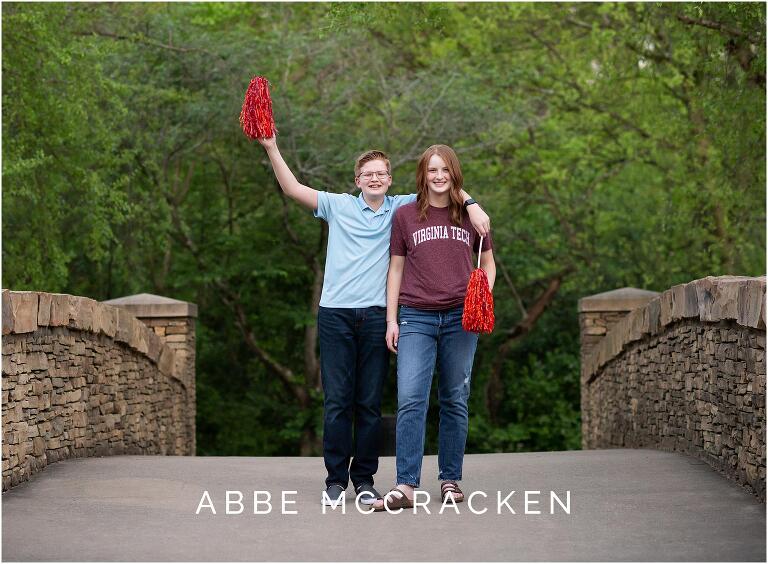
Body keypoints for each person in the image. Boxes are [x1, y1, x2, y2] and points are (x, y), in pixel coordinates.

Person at [256, 137, 491, 506]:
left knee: (368, 403)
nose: (375, 178)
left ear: (391, 179)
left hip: (379, 314)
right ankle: (335, 481)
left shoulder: (404, 207)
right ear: (357, 180)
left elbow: (443, 183)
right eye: (368, 174)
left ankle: (364, 479)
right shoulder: (338, 206)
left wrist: (473, 204)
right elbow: (291, 188)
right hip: (336, 313)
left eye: (381, 173)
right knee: (337, 401)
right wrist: (271, 147)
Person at [373, 144, 496, 512]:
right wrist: (391, 319)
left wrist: (480, 297)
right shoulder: (406, 215)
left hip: (461, 319)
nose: (438, 176)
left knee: (455, 399)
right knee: (411, 398)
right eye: (432, 170)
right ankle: (405, 486)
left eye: (445, 170)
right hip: (416, 316)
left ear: (454, 174)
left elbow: (488, 266)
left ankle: (450, 480)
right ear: (422, 175)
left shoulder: (472, 218)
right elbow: (395, 269)